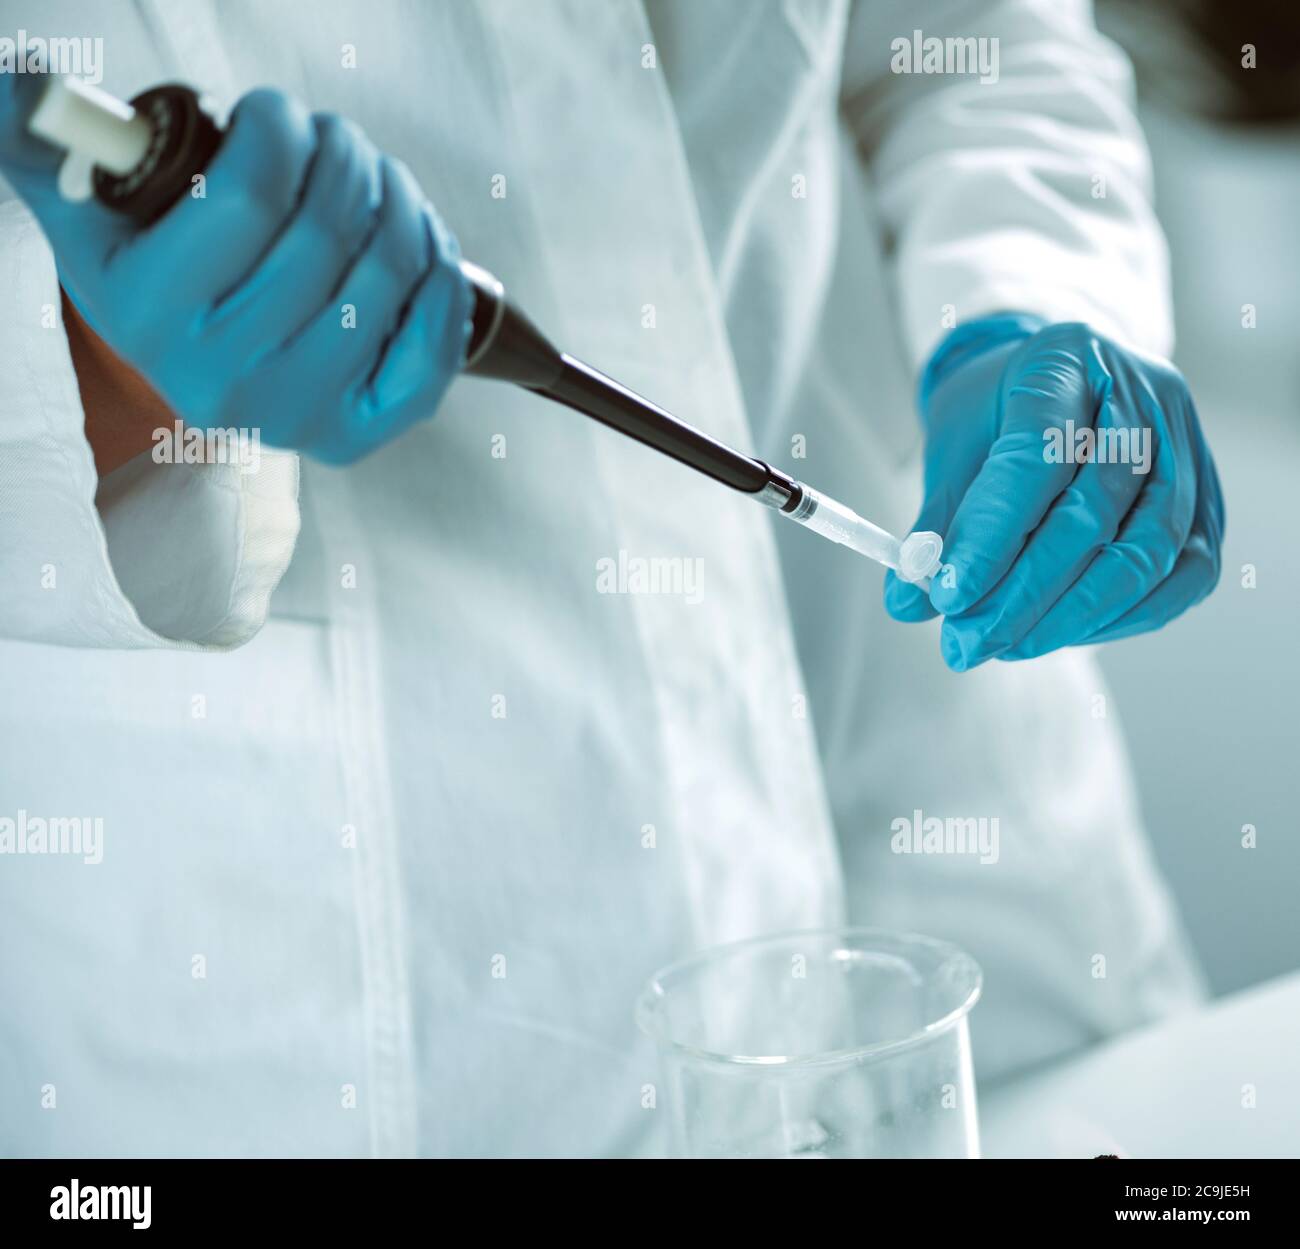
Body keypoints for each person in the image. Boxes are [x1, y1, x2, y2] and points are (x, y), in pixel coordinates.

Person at [0, 0, 1220, 1156]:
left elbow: (961, 40)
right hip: (343, 1048)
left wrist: (1029, 305)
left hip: (967, 907)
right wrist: (107, 381)